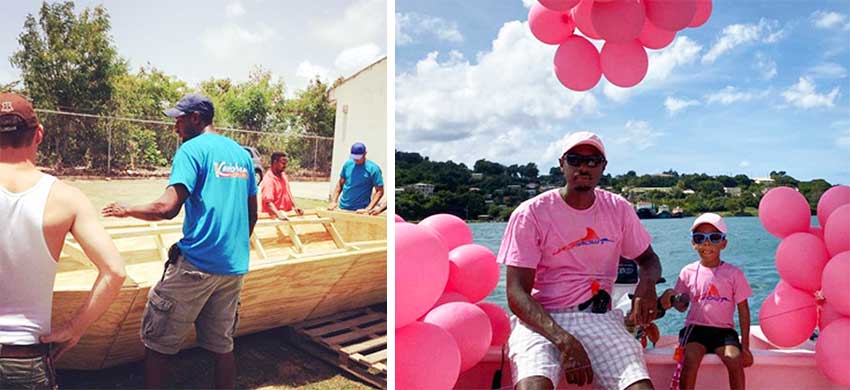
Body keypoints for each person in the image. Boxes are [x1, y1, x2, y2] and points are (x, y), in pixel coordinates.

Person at [101, 93, 257, 389]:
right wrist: (229, 249)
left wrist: (127, 209)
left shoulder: (192, 150)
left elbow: (167, 208)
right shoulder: (241, 155)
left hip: (196, 267)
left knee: (158, 343)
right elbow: (252, 215)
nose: (175, 128)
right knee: (222, 345)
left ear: (196, 119)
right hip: (232, 269)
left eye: (179, 120)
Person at [497, 131, 662, 390]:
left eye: (593, 161)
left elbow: (648, 258)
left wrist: (648, 284)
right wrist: (564, 340)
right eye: (575, 159)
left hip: (600, 319)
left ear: (603, 167)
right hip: (541, 320)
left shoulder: (618, 209)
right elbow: (517, 293)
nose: (584, 167)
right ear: (562, 164)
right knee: (534, 387)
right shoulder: (531, 213)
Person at [0, 92, 127, 389]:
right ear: (39, 134)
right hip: (26, 357)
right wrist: (75, 328)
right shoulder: (66, 198)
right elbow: (115, 271)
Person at [673, 213, 753, 390]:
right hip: (695, 330)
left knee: (734, 359)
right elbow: (680, 306)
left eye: (714, 238)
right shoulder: (687, 272)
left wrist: (745, 347)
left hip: (724, 332)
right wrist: (677, 300)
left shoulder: (734, 274)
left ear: (724, 243)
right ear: (693, 243)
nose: (706, 243)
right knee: (691, 359)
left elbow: (743, 310)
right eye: (699, 238)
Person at [328, 142, 384, 212]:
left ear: (365, 153)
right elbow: (340, 183)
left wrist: (368, 209)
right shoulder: (348, 165)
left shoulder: (373, 169)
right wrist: (334, 201)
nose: (356, 159)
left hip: (360, 210)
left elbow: (379, 191)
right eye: (354, 157)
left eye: (358, 157)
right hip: (342, 208)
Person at [259, 151, 303, 220]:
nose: (285, 166)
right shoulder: (269, 179)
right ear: (275, 162)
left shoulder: (283, 176)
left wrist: (295, 206)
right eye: (283, 163)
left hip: (286, 215)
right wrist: (278, 214)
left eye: (286, 163)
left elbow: (288, 193)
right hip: (273, 218)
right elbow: (268, 202)